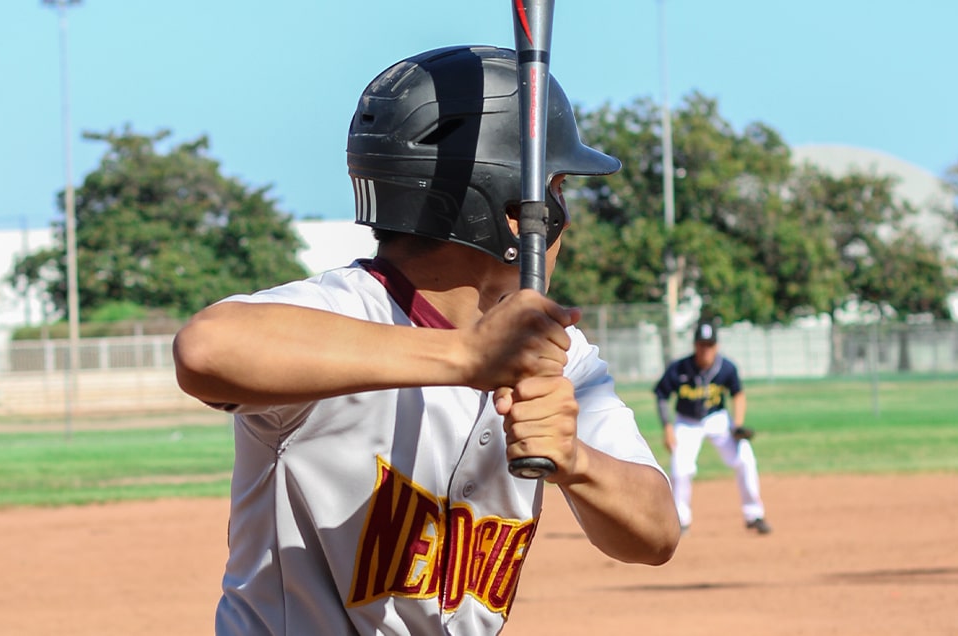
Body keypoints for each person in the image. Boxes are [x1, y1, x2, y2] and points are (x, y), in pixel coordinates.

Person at [173, 45, 679, 635]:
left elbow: (657, 532)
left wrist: (577, 462)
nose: (563, 211)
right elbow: (205, 350)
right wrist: (465, 357)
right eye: (557, 187)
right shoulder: (343, 312)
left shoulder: (559, 358)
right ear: (510, 210)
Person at [653, 320, 771, 535]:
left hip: (717, 419)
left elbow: (738, 394)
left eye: (710, 345)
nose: (705, 349)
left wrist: (737, 424)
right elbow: (661, 394)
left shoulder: (726, 368)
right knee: (680, 468)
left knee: (745, 459)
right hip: (686, 421)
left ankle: (754, 514)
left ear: (716, 346)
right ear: (695, 345)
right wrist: (667, 427)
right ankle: (681, 520)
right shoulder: (679, 368)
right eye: (702, 344)